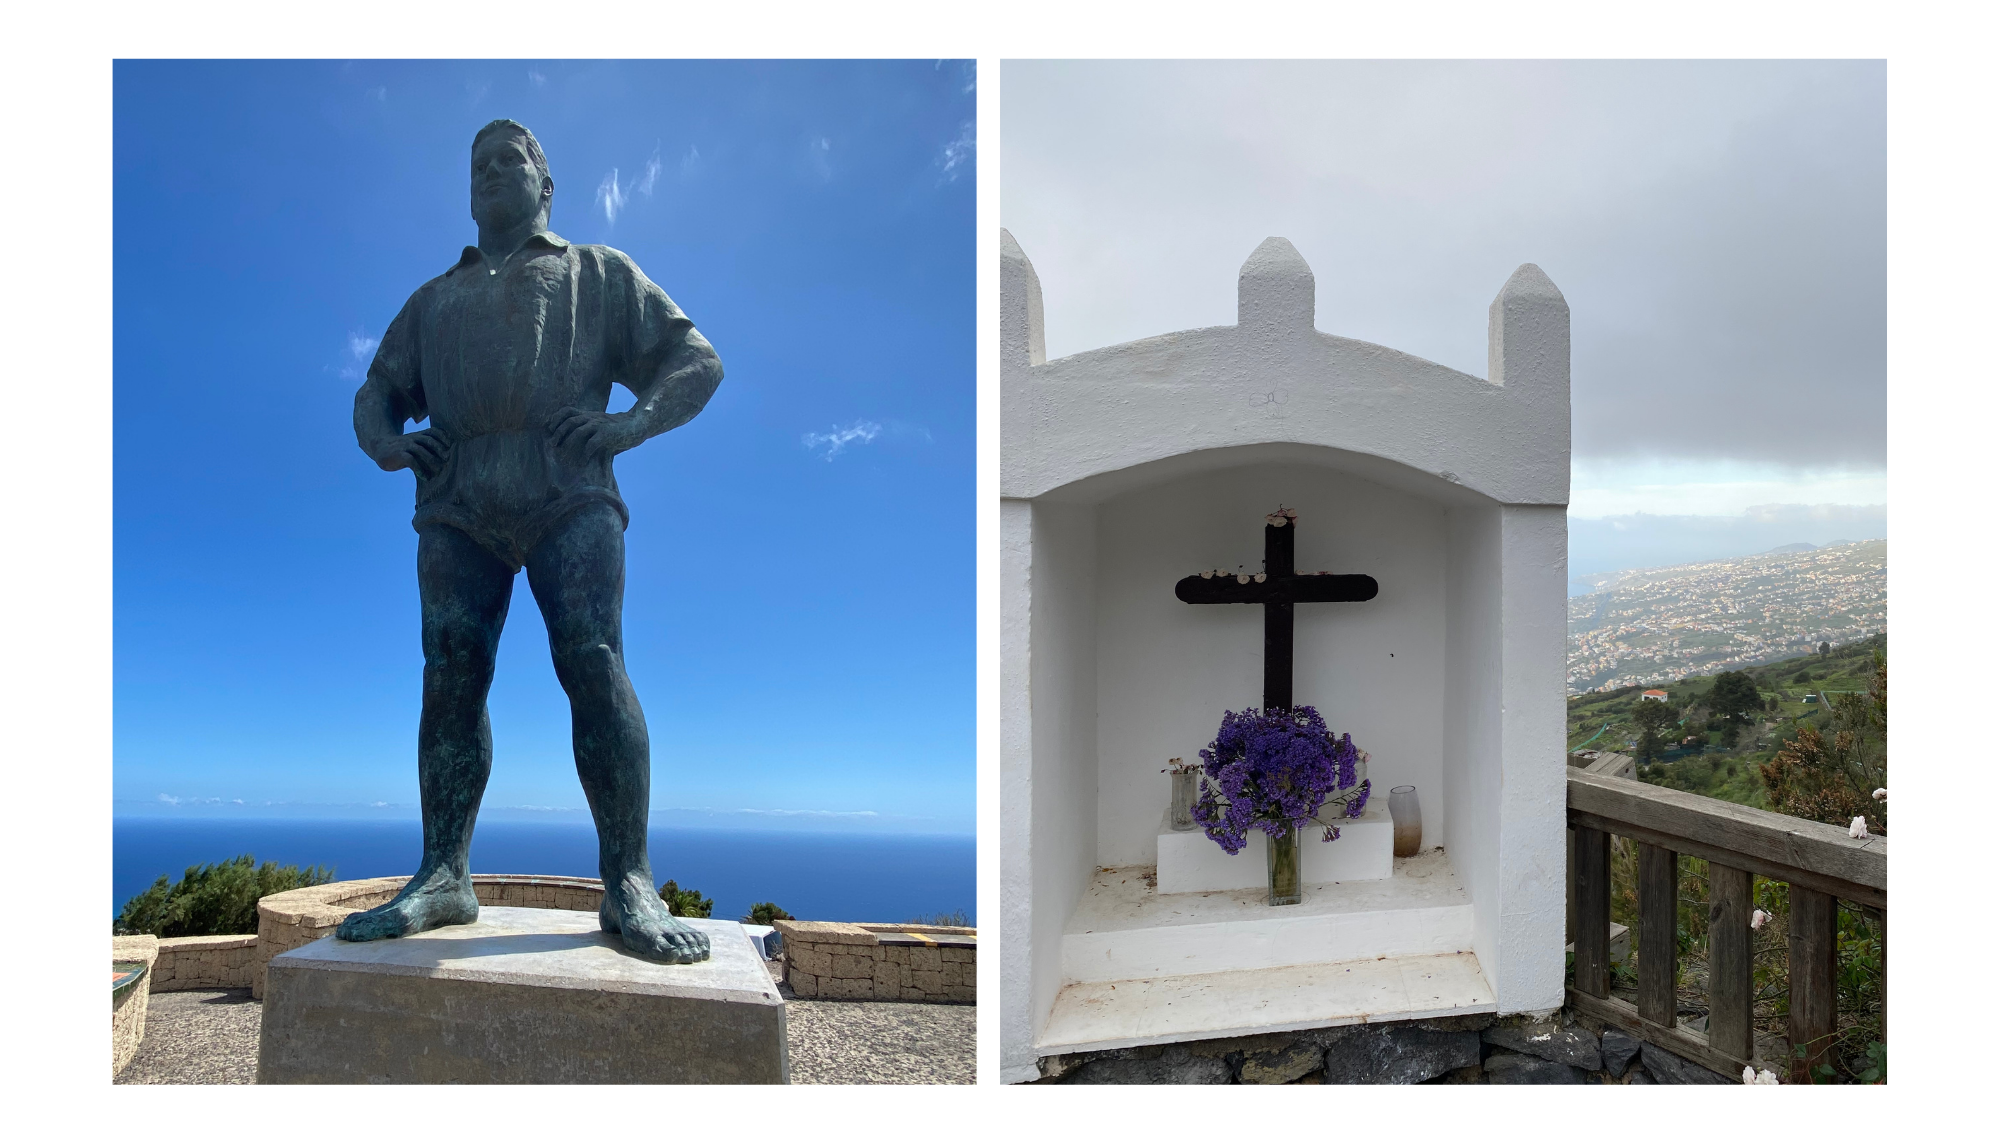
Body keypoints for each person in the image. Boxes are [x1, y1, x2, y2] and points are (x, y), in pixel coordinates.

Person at [340, 120, 723, 963]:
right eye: (476, 163)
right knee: (450, 673)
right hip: (456, 499)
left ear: (545, 185)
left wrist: (630, 425)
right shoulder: (432, 299)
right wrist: (389, 445)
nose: (488, 172)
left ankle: (629, 880)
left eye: (508, 159)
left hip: (568, 488)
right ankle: (444, 873)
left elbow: (695, 361)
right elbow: (376, 393)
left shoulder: (596, 270)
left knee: (592, 660)